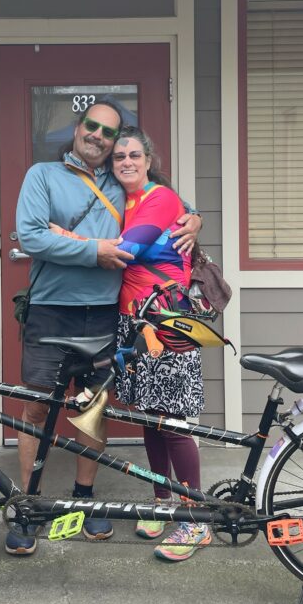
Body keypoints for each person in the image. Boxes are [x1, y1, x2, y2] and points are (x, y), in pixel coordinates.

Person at [9, 99, 201, 556]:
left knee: (92, 408)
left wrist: (196, 219)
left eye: (109, 133)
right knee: (38, 409)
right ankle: (29, 504)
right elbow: (31, 236)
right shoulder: (42, 175)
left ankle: (84, 497)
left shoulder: (121, 179)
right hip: (51, 309)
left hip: (105, 312)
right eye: (91, 127)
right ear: (78, 129)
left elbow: (174, 204)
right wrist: (93, 250)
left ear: (118, 144)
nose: (98, 136)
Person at [111, 125, 211, 563]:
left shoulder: (161, 197)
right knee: (151, 418)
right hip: (135, 322)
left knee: (173, 421)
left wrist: (63, 235)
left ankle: (196, 518)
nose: (127, 162)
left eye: (134, 154)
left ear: (149, 160)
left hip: (168, 322)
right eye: (119, 157)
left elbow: (128, 249)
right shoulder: (121, 200)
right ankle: (164, 500)